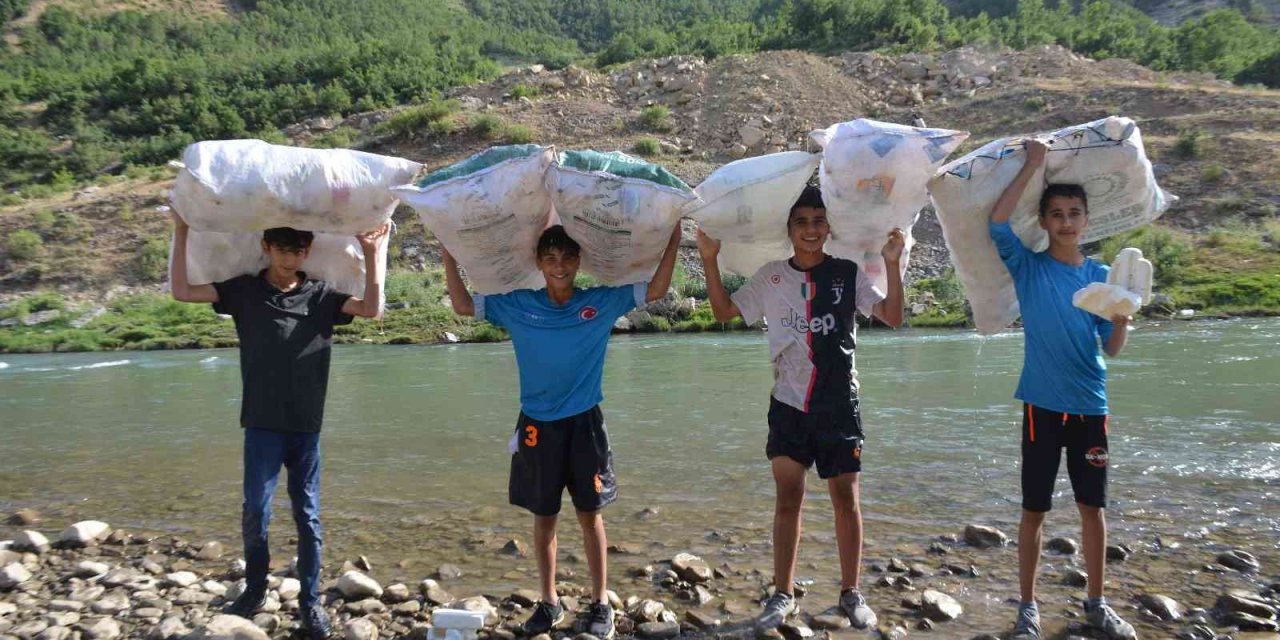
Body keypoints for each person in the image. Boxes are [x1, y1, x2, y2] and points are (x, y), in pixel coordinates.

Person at [443, 224, 683, 640]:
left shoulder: (599, 303)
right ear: (538, 263)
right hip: (536, 425)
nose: (559, 266)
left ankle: (600, 601)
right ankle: (549, 601)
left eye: (567, 258)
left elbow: (656, 290)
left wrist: (675, 237)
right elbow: (464, 306)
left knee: (591, 514)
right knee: (545, 516)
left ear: (578, 261)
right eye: (550, 259)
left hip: (585, 423)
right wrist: (449, 253)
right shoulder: (518, 305)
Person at [169, 213, 388, 640]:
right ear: (266, 247)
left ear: (308, 251)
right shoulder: (243, 290)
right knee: (256, 509)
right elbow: (181, 291)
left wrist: (370, 251)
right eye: (283, 249)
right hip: (262, 424)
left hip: (306, 425)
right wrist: (182, 231)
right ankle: (255, 589)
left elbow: (372, 309)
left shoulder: (321, 294)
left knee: (307, 516)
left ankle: (310, 603)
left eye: (299, 250)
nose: (291, 257)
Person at [696, 185, 904, 631]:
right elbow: (723, 311)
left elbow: (892, 315)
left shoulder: (846, 274)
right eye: (801, 222)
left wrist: (891, 261)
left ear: (829, 227)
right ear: (788, 230)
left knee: (846, 501)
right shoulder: (771, 276)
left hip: (838, 405)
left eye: (817, 221)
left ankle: (851, 592)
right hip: (789, 405)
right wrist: (709, 258)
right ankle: (783, 594)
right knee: (788, 499)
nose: (810, 230)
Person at [988, 139, 1134, 640]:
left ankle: (1096, 602)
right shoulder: (1029, 267)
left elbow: (1111, 349)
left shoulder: (1102, 277)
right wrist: (1032, 163)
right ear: (1045, 221)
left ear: (1087, 219)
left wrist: (1122, 321)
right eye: (1057, 214)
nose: (1066, 222)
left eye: (1074, 213)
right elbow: (997, 224)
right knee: (1034, 509)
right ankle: (1027, 608)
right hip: (1042, 408)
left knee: (1092, 509)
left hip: (1091, 405)